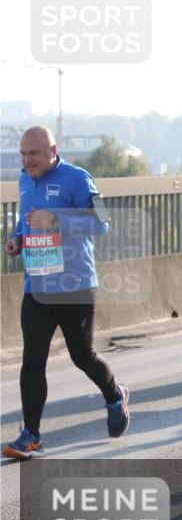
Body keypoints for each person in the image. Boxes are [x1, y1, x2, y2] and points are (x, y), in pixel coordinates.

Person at [3, 126, 130, 460]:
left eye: (34, 154)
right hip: (38, 287)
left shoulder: (77, 178)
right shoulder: (24, 179)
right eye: (23, 154)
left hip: (75, 286)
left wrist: (56, 219)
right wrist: (17, 238)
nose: (27, 160)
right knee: (32, 360)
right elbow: (26, 220)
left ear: (53, 150)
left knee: (81, 356)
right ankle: (31, 435)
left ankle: (114, 395)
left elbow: (102, 222)